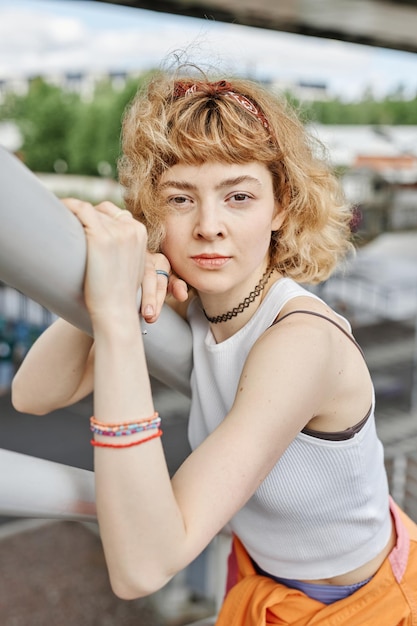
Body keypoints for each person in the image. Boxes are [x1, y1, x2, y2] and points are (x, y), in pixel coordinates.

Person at [11, 68, 417, 624]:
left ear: (280, 208)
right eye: (180, 198)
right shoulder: (194, 300)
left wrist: (117, 322)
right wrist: (116, 279)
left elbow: (142, 568)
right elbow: (33, 395)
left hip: (365, 607)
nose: (209, 226)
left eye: (239, 197)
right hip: (264, 581)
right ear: (153, 215)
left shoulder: (300, 342)